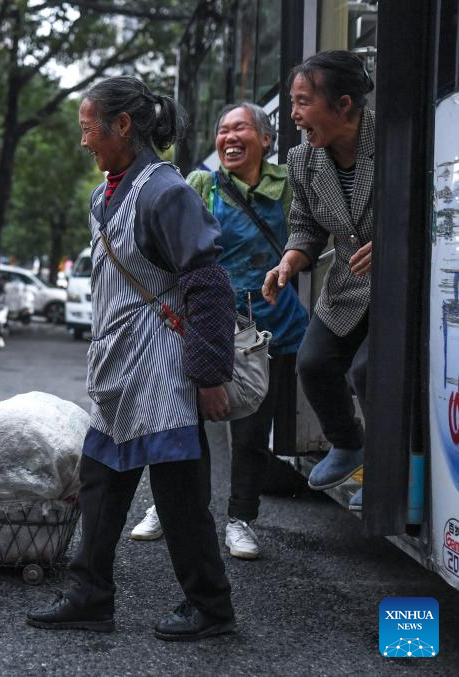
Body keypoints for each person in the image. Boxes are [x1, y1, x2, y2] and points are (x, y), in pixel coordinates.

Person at [26, 76, 237, 640]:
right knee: (101, 483)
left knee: (181, 498)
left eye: (88, 128)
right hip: (120, 369)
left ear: (123, 125)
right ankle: (90, 595)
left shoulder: (166, 191)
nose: (84, 141)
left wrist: (210, 374)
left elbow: (209, 284)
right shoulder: (108, 192)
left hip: (166, 368)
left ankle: (211, 608)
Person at [129, 103, 310, 559]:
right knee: (185, 424)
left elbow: (312, 235)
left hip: (269, 330)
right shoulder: (201, 185)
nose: (229, 137)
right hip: (205, 325)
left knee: (250, 435)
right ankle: (174, 509)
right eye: (223, 130)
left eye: (241, 128)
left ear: (266, 140)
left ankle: (241, 520)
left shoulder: (289, 186)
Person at [262, 50, 374, 511]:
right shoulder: (302, 159)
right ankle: (349, 444)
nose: (293, 114)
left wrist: (395, 245)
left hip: (403, 290)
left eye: (303, 101)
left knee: (370, 370)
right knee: (313, 364)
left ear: (343, 104)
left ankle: (388, 473)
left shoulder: (399, 141)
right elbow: (306, 226)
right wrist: (289, 262)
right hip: (347, 289)